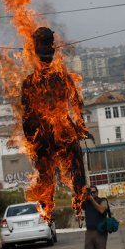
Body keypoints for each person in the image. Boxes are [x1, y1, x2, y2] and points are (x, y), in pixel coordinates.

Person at [21, 27, 91, 220]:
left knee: (73, 158)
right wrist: (31, 138)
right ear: (35, 49)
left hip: (60, 129)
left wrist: (80, 126)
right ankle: (50, 204)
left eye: (49, 44)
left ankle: (79, 197)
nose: (47, 49)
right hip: (45, 133)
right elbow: (27, 114)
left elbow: (76, 103)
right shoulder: (30, 82)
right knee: (46, 168)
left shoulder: (62, 77)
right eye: (43, 44)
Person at [82, 185, 108, 249]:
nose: (92, 194)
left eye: (94, 192)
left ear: (97, 193)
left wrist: (92, 200)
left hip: (100, 232)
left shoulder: (103, 200)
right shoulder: (86, 202)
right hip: (89, 232)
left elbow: (102, 210)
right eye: (90, 192)